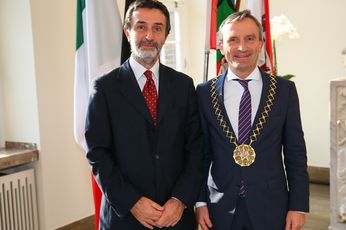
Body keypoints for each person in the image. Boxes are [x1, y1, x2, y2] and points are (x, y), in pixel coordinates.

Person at [85, 0, 203, 229]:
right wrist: (133, 203)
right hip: (125, 218)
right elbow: (98, 154)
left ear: (166, 35)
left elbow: (196, 149)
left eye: (157, 28)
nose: (149, 35)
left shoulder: (184, 86)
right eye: (141, 27)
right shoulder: (104, 88)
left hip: (176, 217)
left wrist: (179, 200)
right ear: (127, 32)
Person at [195, 10, 309, 230]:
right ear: (221, 46)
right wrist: (199, 202)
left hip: (272, 207)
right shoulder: (204, 93)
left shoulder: (284, 91)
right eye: (233, 40)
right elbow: (201, 154)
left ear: (260, 43)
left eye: (249, 39)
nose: (242, 47)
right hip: (219, 208)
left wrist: (298, 206)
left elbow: (295, 152)